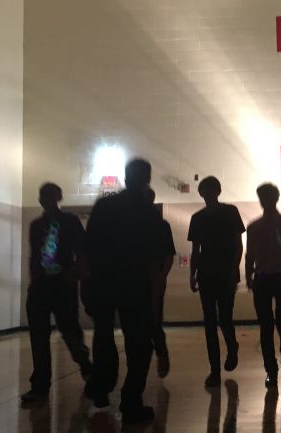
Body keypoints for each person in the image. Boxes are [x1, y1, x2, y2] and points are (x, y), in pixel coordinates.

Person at [83, 159, 160, 424]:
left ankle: (102, 384)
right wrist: (153, 292)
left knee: (103, 337)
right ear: (147, 179)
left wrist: (88, 285)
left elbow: (88, 249)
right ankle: (130, 400)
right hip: (133, 284)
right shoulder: (147, 211)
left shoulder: (105, 206)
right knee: (139, 345)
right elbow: (152, 256)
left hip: (104, 282)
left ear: (126, 177)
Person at [20, 183, 93, 403]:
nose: (47, 200)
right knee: (39, 336)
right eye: (44, 196)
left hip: (62, 285)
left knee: (70, 330)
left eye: (50, 196)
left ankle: (85, 365)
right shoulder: (36, 225)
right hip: (41, 286)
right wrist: (34, 281)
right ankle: (40, 385)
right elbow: (35, 256)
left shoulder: (70, 222)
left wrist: (75, 275)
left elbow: (82, 251)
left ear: (58, 197)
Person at [187, 176, 244, 388]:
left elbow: (238, 245)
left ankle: (231, 347)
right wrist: (193, 274)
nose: (209, 195)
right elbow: (195, 251)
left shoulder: (229, 213)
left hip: (223, 272)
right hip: (208, 273)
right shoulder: (199, 218)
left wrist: (233, 270)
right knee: (211, 321)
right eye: (206, 192)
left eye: (211, 191)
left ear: (216, 192)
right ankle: (215, 369)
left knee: (224, 318)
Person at [244, 183, 281, 388]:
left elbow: (250, 254)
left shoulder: (254, 227)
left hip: (263, 278)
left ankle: (271, 369)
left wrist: (248, 276)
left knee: (266, 326)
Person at [145, 187, 175, 379]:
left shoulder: (161, 225)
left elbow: (169, 255)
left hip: (154, 279)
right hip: (136, 279)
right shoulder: (130, 225)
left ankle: (161, 351)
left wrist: (161, 276)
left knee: (153, 322)